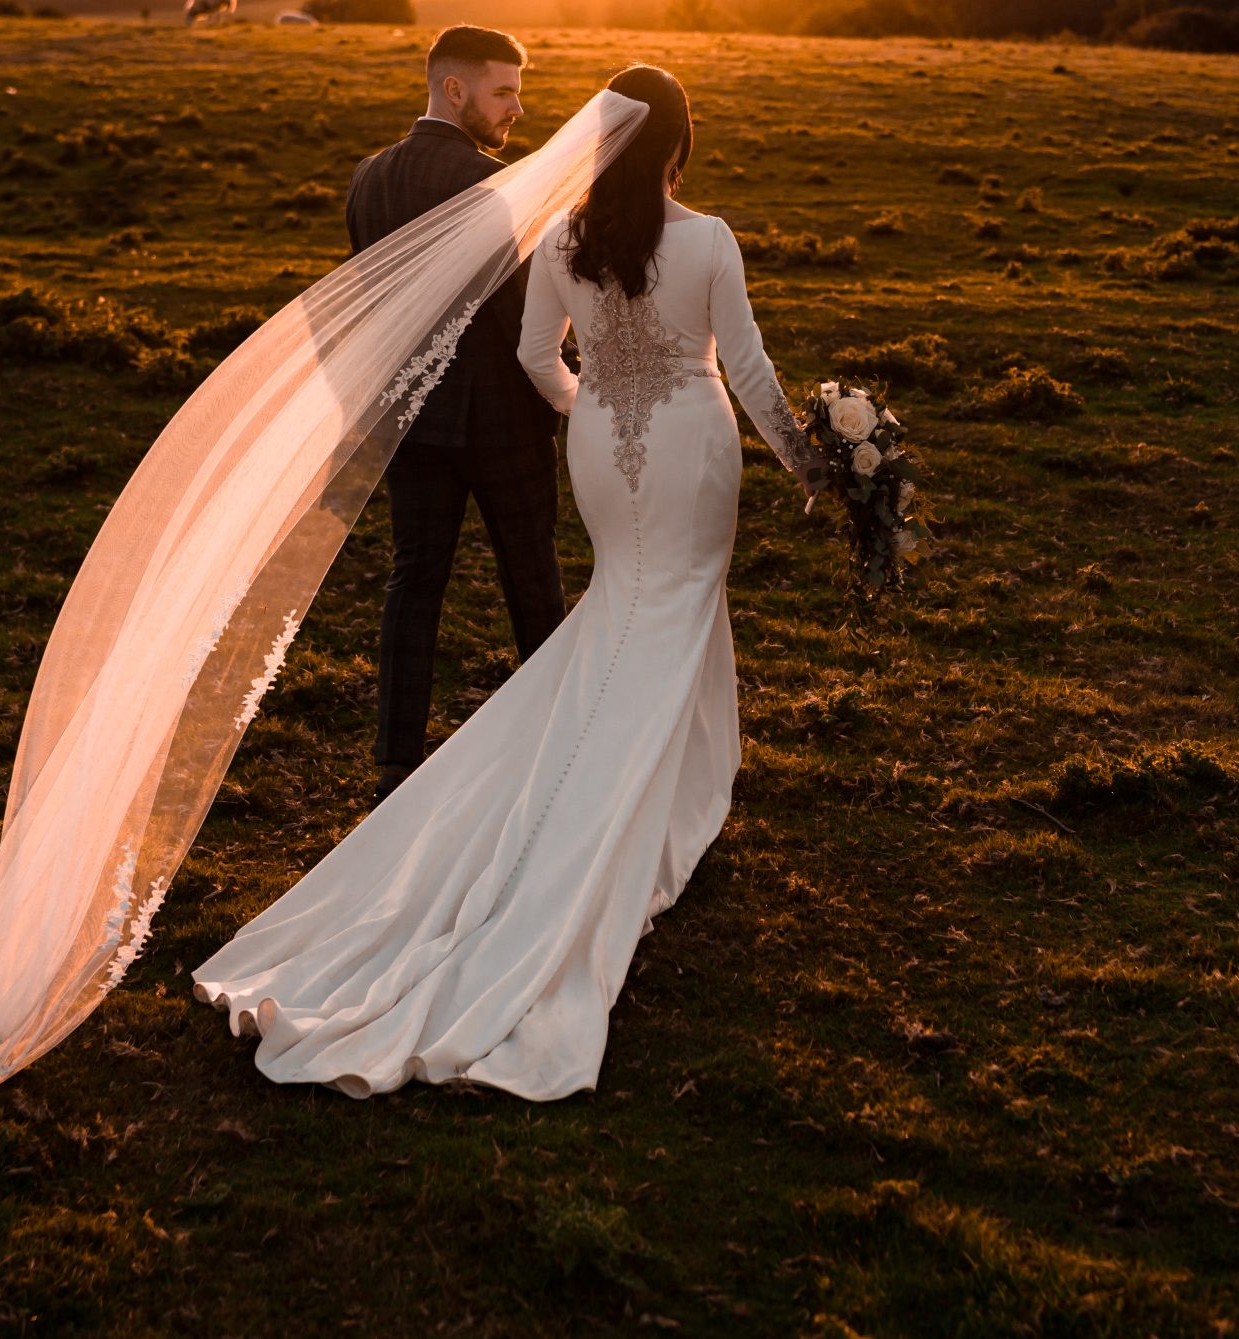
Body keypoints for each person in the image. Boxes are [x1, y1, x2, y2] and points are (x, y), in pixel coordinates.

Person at [193, 66, 824, 1100]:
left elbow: (538, 355)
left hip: (601, 456)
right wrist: (808, 463)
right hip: (692, 451)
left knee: (625, 612)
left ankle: (674, 790)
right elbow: (746, 369)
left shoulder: (565, 240)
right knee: (670, 616)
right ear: (678, 142)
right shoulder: (708, 237)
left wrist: (591, 408)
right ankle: (638, 809)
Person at [346, 26, 563, 804]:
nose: (518, 107)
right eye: (504, 91)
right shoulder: (493, 183)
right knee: (531, 577)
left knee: (415, 580)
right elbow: (521, 312)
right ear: (455, 89)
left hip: (411, 419)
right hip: (501, 417)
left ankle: (395, 758)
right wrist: (562, 388)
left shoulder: (367, 179)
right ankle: (556, 739)